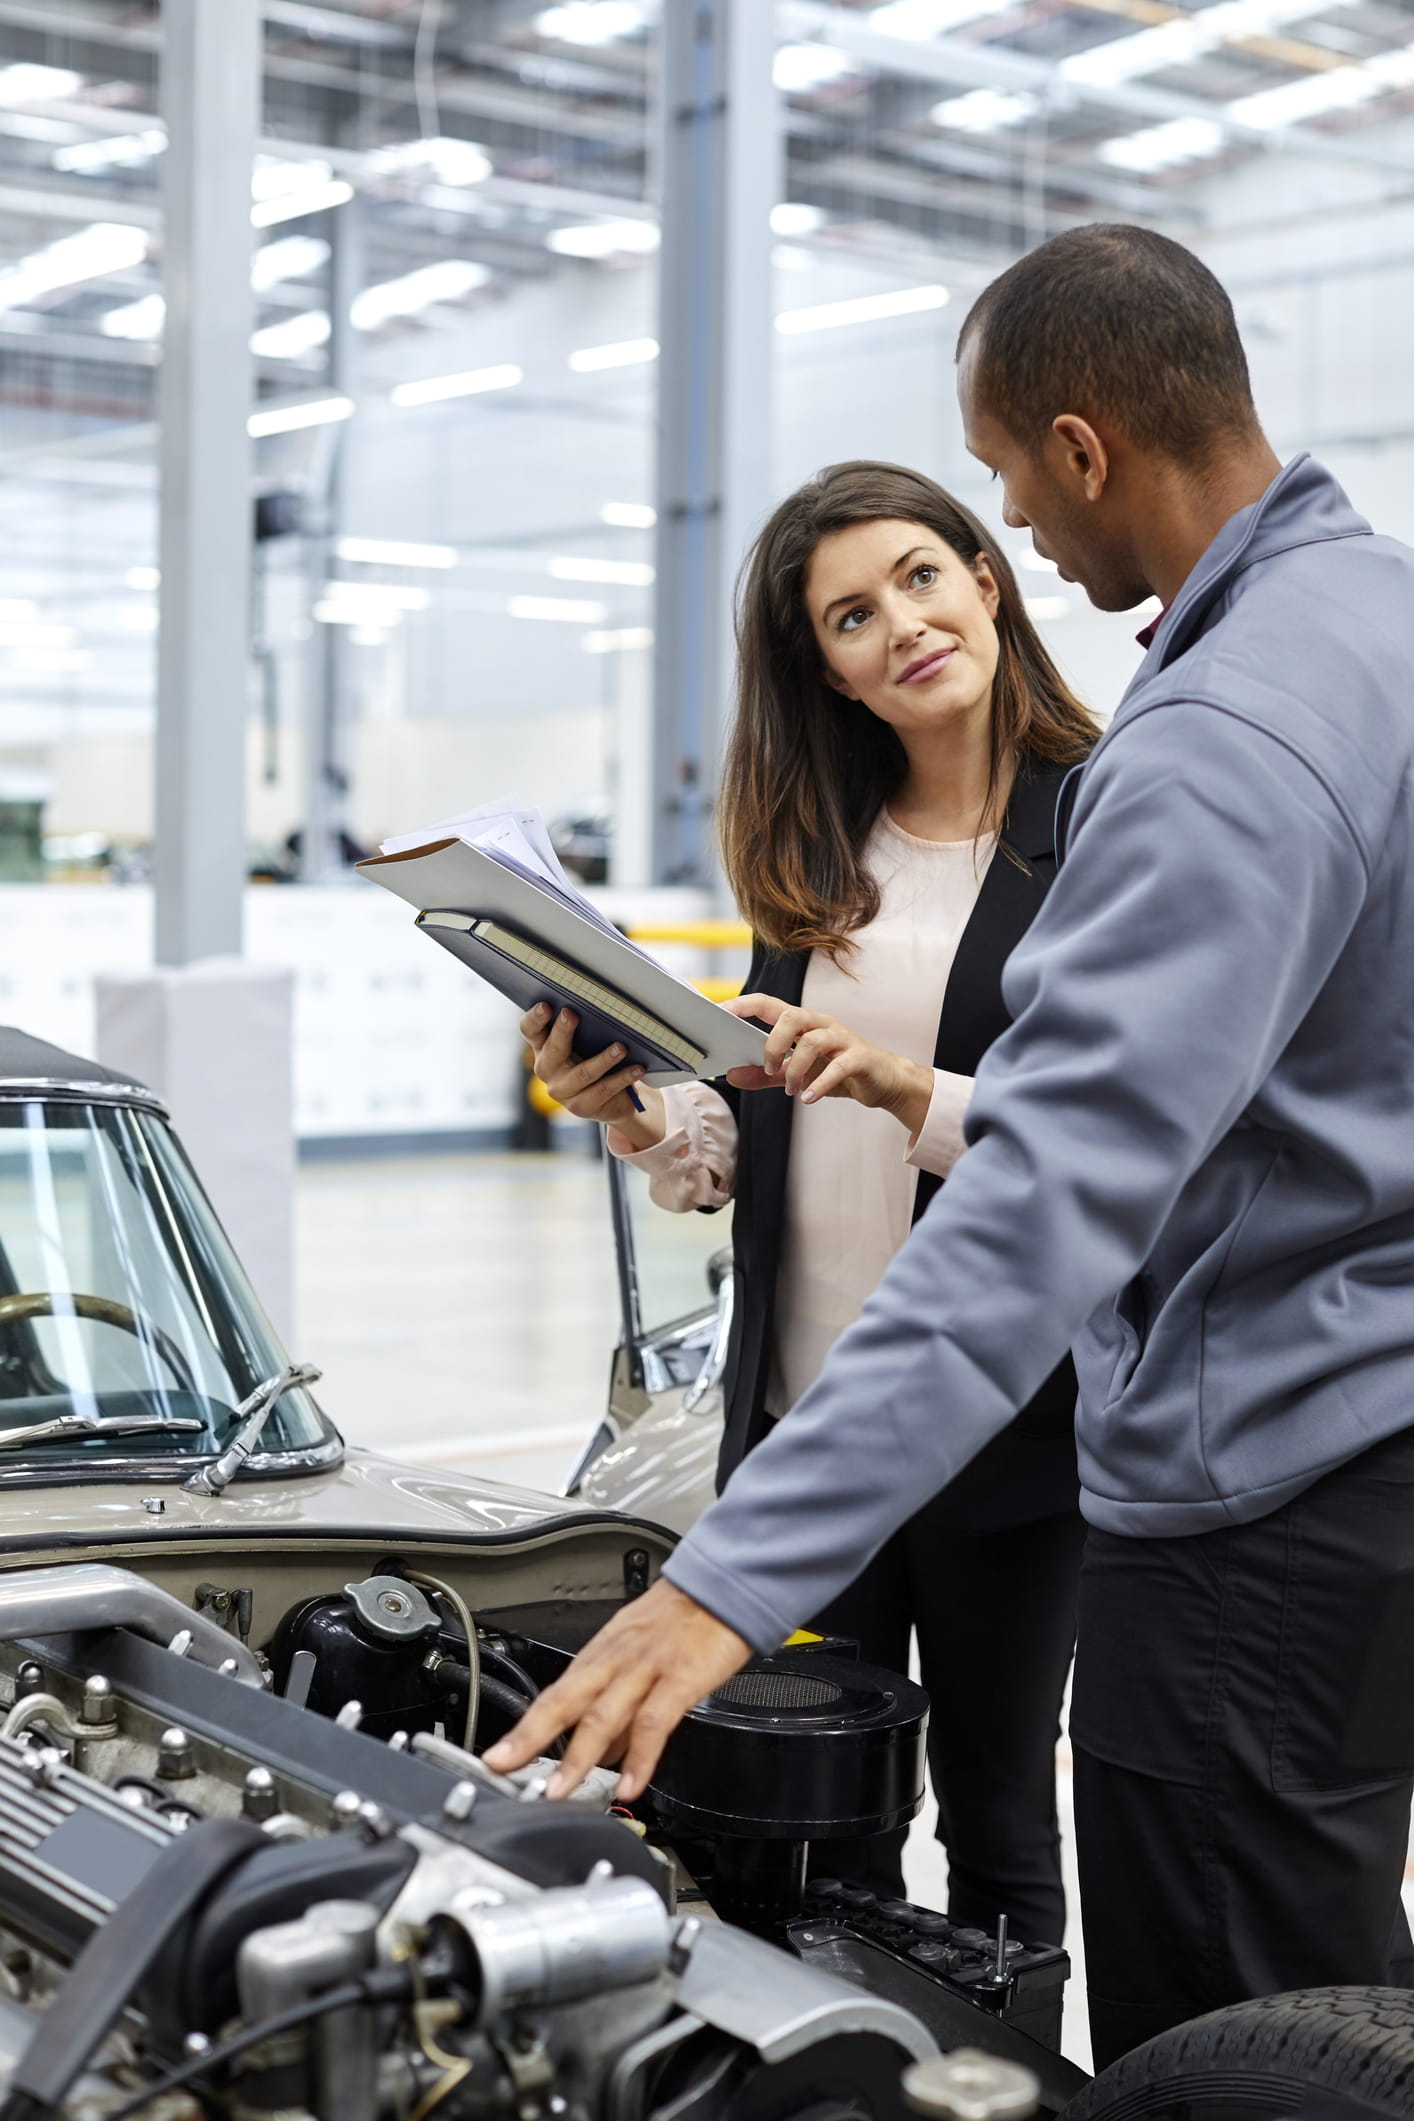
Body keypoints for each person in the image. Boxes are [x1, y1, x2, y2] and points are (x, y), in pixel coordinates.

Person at [488, 223, 1414, 2071]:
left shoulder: (1206, 741)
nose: (1002, 527)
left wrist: (715, 1585)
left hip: (1247, 1495)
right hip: (1345, 1437)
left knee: (1235, 2042)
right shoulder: (1367, 616)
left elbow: (1046, 1196)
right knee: (1325, 1989)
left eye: (989, 481)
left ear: (1074, 455)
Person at [522, 461, 1098, 1943]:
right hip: (801, 1414)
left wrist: (905, 1088)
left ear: (985, 572)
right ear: (825, 670)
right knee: (822, 1798)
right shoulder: (816, 861)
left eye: (918, 575)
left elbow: (1105, 1142)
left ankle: (1005, 2076)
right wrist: (641, 1111)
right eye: (850, 615)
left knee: (991, 1802)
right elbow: (740, 1146)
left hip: (998, 1418)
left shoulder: (1099, 828)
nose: (898, 624)